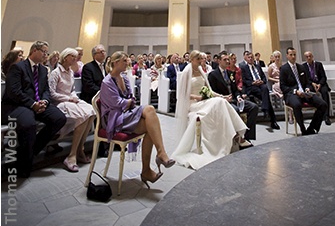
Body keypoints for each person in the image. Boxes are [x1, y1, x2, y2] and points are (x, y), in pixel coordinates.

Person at [99, 51, 174, 187]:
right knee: (150, 109)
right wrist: (129, 102)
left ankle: (147, 170)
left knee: (150, 127)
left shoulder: (125, 78)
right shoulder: (107, 82)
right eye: (124, 61)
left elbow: (131, 98)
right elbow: (118, 103)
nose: (127, 63)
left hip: (127, 113)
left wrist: (129, 102)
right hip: (115, 118)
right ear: (115, 63)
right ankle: (160, 154)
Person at [171, 51, 250, 169]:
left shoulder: (201, 71)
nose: (200, 61)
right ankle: (237, 134)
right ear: (192, 59)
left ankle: (231, 137)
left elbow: (210, 91)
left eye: (201, 59)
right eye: (198, 59)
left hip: (204, 101)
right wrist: (199, 97)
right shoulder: (186, 72)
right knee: (218, 103)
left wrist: (222, 97)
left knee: (221, 102)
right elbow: (182, 95)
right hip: (193, 104)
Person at [1, 41, 66, 178]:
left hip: (36, 104)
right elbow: (14, 92)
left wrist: (45, 101)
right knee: (29, 124)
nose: (46, 55)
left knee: (59, 118)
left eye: (47, 52)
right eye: (44, 51)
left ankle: (29, 152)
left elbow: (46, 90)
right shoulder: (18, 68)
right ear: (34, 51)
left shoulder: (43, 70)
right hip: (16, 105)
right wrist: (32, 104)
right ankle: (24, 166)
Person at [48, 47, 94, 171]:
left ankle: (80, 149)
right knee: (81, 115)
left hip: (70, 100)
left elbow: (72, 90)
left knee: (91, 111)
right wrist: (69, 99)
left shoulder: (70, 72)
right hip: (61, 103)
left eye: (75, 56)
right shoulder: (56, 73)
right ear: (65, 57)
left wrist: (74, 98)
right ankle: (72, 154)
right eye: (72, 56)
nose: (75, 59)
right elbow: (52, 94)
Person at [208, 51, 258, 144]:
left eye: (228, 59)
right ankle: (236, 137)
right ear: (219, 61)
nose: (227, 61)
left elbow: (235, 89)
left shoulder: (231, 73)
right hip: (223, 101)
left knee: (253, 107)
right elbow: (213, 92)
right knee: (235, 110)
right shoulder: (213, 75)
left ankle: (247, 136)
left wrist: (238, 96)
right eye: (225, 59)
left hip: (234, 99)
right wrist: (224, 98)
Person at [280, 47, 327, 135]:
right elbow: (283, 86)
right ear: (287, 56)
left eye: (294, 55)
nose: (293, 57)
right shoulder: (283, 69)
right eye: (291, 55)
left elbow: (307, 82)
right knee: (297, 105)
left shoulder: (301, 67)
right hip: (292, 94)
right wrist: (295, 91)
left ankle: (312, 128)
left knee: (323, 104)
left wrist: (307, 88)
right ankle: (303, 129)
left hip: (304, 93)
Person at [239, 50, 278, 130]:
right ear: (246, 59)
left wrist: (261, 81)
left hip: (261, 86)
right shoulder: (244, 68)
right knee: (266, 97)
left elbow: (264, 77)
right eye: (249, 57)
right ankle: (273, 120)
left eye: (252, 57)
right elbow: (244, 80)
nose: (250, 59)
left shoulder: (258, 66)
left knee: (264, 88)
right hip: (252, 87)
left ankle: (265, 108)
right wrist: (253, 82)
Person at [303, 50, 331, 125]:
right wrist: (312, 84)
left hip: (320, 84)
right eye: (307, 57)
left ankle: (326, 116)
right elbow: (305, 79)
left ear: (312, 57)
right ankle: (317, 114)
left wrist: (320, 84)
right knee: (309, 93)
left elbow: (323, 77)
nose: (309, 58)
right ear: (305, 58)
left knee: (325, 93)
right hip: (311, 84)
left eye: (310, 56)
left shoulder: (319, 64)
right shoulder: (303, 66)